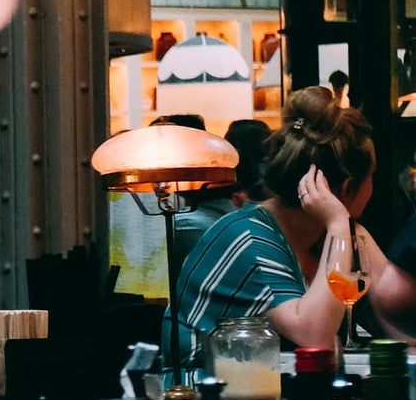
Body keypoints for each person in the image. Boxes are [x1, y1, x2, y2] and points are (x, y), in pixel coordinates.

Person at [169, 91, 416, 372]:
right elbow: (316, 340)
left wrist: (346, 233)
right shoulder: (249, 239)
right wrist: (338, 222)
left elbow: (395, 315)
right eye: (372, 176)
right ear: (347, 188)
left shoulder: (335, 238)